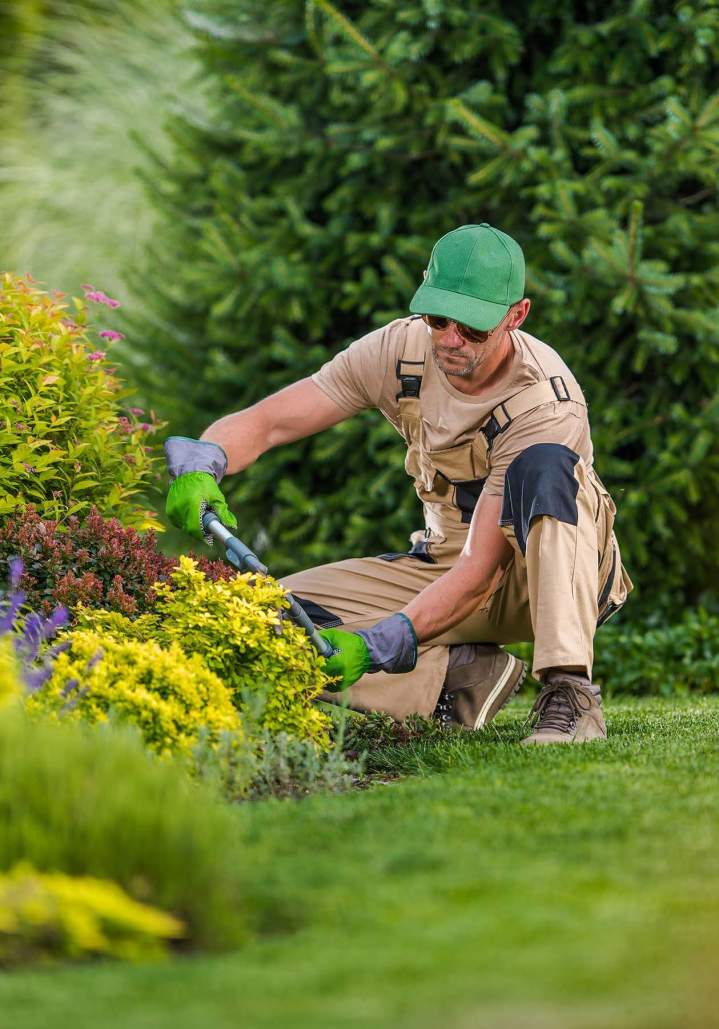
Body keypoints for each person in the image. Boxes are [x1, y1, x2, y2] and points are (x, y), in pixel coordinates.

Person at [164, 224, 632, 745]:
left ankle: (570, 693)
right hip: (443, 564)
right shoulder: (400, 350)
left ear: (515, 316)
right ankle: (457, 678)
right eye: (439, 319)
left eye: (473, 328)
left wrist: (376, 644)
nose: (451, 339)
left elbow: (482, 572)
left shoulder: (545, 403)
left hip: (539, 576)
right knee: (266, 620)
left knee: (545, 468)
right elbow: (273, 420)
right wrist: (205, 462)